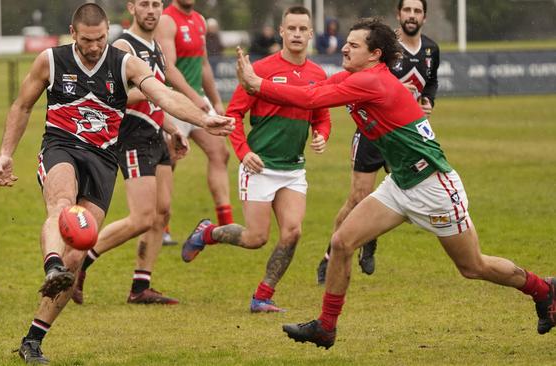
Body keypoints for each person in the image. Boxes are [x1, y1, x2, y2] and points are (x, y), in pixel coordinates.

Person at [236, 17, 556, 350]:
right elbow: (313, 90)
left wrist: (259, 85)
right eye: (346, 42)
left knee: (473, 266)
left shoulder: (372, 82)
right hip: (401, 183)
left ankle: (544, 291)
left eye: (354, 45)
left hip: (433, 186)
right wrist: (261, 83)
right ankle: (326, 327)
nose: (344, 47)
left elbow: (312, 98)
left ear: (374, 54)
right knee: (343, 242)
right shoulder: (356, 76)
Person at [0, 4, 234, 364]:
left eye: (101, 38)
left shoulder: (125, 63)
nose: (95, 46)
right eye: (87, 40)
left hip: (104, 159)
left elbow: (163, 95)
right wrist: (5, 153)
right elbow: (22, 106)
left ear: (108, 31)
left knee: (80, 251)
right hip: (61, 147)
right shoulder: (51, 61)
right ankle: (52, 264)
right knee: (61, 203)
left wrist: (202, 119)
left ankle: (33, 339)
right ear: (73, 34)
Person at [180, 6, 331, 313]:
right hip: (259, 166)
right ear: (282, 32)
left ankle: (262, 296)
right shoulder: (261, 70)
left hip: (293, 168)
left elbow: (322, 115)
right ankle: (208, 232)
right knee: (255, 238)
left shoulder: (317, 74)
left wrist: (321, 135)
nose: (298, 34)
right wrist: (244, 152)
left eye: (303, 29)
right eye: (292, 29)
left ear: (311, 34)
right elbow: (234, 113)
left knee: (293, 231)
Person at [71, 0, 189, 307]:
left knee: (162, 212)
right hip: (133, 137)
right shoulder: (123, 45)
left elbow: (160, 98)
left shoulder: (157, 48)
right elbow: (111, 96)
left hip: (156, 136)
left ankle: (141, 286)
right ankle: (80, 263)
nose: (151, 11)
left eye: (156, 4)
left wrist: (173, 129)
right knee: (140, 218)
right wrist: (151, 88)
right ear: (132, 8)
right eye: (144, 4)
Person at [315, 0, 440, 283]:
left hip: (405, 137)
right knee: (358, 197)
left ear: (424, 16)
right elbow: (365, 83)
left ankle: (368, 236)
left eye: (417, 11)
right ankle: (330, 255)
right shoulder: (378, 46)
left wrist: (428, 100)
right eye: (406, 10)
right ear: (398, 14)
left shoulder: (431, 49)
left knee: (406, 193)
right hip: (372, 133)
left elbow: (431, 82)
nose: (411, 15)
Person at [156, 0, 235, 243]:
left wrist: (215, 100)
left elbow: (203, 65)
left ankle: (226, 225)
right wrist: (193, 98)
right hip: (173, 101)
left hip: (197, 99)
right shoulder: (167, 21)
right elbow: (168, 69)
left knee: (220, 154)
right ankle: (162, 227)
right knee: (169, 160)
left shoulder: (199, 20)